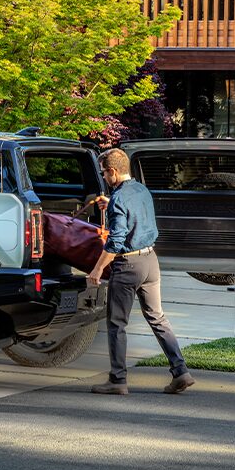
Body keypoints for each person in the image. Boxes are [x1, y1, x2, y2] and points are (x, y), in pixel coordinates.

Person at [86, 148, 194, 395]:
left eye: (104, 173)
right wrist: (110, 202)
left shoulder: (118, 200)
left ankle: (117, 380)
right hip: (150, 262)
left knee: (116, 323)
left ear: (113, 171)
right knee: (157, 318)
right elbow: (133, 212)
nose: (103, 177)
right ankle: (181, 372)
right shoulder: (141, 190)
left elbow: (116, 240)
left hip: (128, 266)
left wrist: (97, 268)